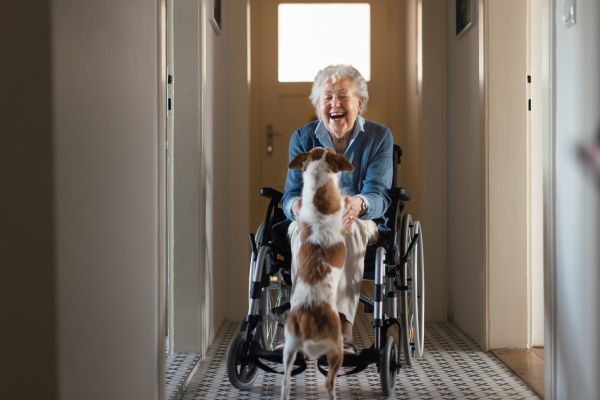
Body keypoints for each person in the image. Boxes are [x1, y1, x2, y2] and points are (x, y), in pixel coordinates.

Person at [280, 64, 393, 354]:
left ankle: (342, 328)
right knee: (299, 228)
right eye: (327, 97)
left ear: (360, 103)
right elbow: (290, 194)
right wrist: (297, 205)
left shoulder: (380, 137)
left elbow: (379, 195)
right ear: (319, 106)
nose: (335, 104)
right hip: (314, 220)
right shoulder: (302, 138)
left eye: (343, 96)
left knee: (350, 228)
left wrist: (358, 203)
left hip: (359, 220)